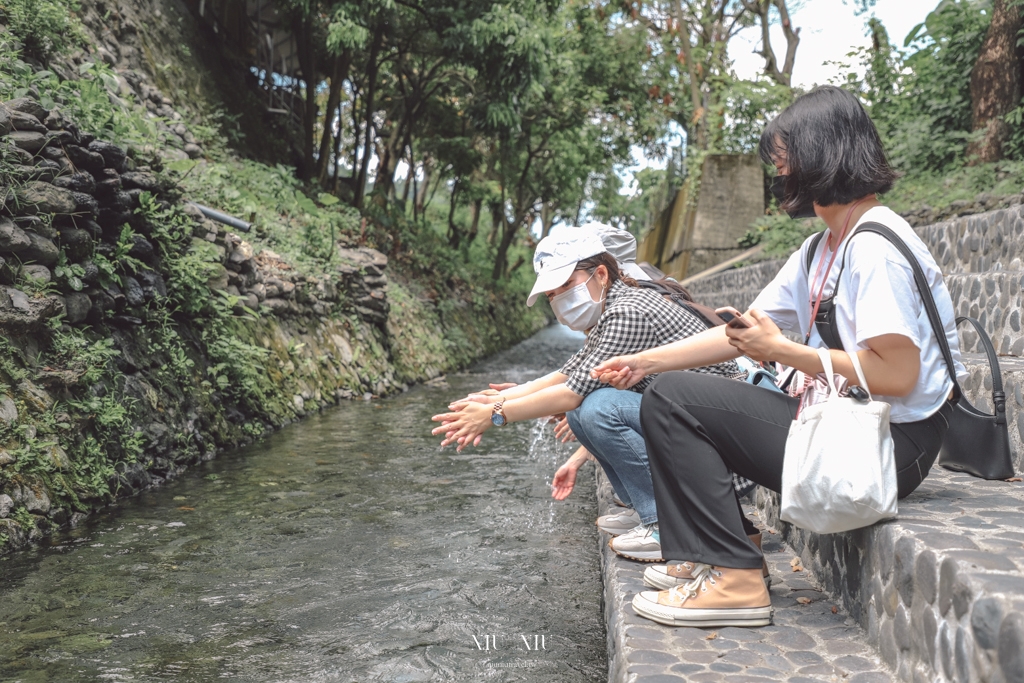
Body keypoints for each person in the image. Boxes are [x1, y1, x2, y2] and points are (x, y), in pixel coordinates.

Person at [592, 85, 965, 628]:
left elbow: (900, 375)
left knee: (675, 403)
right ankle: (712, 552)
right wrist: (649, 362)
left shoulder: (874, 249)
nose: (780, 175)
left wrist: (787, 352)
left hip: (893, 444)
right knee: (666, 391)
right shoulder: (823, 247)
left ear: (823, 153)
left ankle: (736, 578)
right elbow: (742, 331)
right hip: (849, 423)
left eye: (785, 162)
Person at [431, 227, 741, 560]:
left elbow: (570, 393)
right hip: (695, 415)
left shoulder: (627, 312)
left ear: (602, 274)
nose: (559, 299)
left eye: (565, 285)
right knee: (587, 407)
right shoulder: (612, 309)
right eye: (551, 294)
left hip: (721, 426)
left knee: (595, 408)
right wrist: (496, 399)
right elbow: (569, 372)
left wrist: (496, 414)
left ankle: (665, 523)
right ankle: (646, 511)